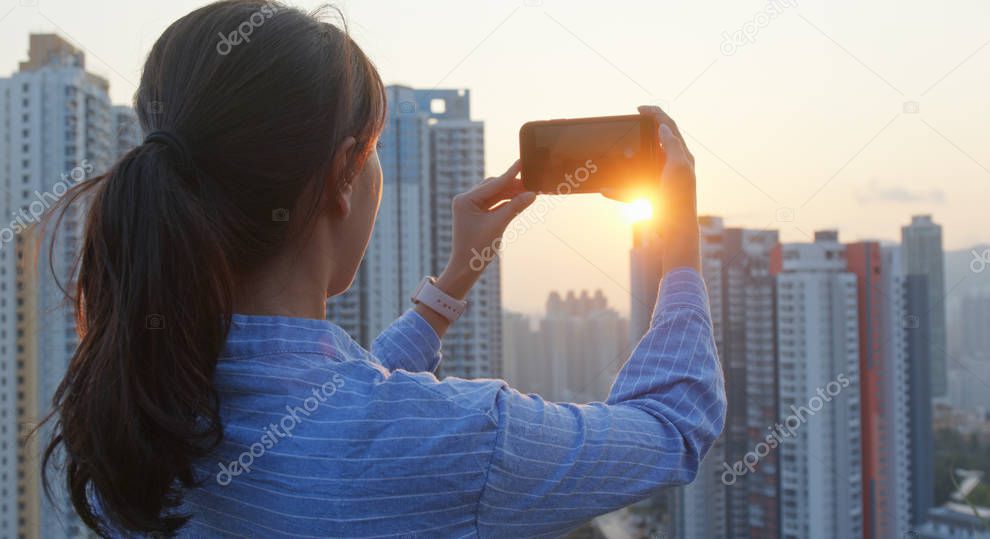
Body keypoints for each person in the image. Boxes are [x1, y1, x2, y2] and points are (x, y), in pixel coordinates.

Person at [40, 1, 725, 537]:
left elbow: (337, 413)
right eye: (371, 149)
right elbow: (673, 424)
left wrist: (452, 282)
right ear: (342, 174)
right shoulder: (467, 445)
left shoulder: (134, 407)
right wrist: (678, 248)